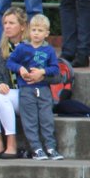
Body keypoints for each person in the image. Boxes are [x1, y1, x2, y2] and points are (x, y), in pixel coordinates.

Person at [6, 14, 62, 161]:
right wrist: (20, 69)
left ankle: (50, 147)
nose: (36, 33)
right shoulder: (22, 48)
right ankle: (36, 148)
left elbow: (55, 69)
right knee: (30, 120)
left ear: (47, 33)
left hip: (43, 89)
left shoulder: (49, 50)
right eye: (34, 30)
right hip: (26, 89)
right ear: (29, 31)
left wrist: (43, 72)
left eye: (40, 30)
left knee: (46, 119)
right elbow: (10, 62)